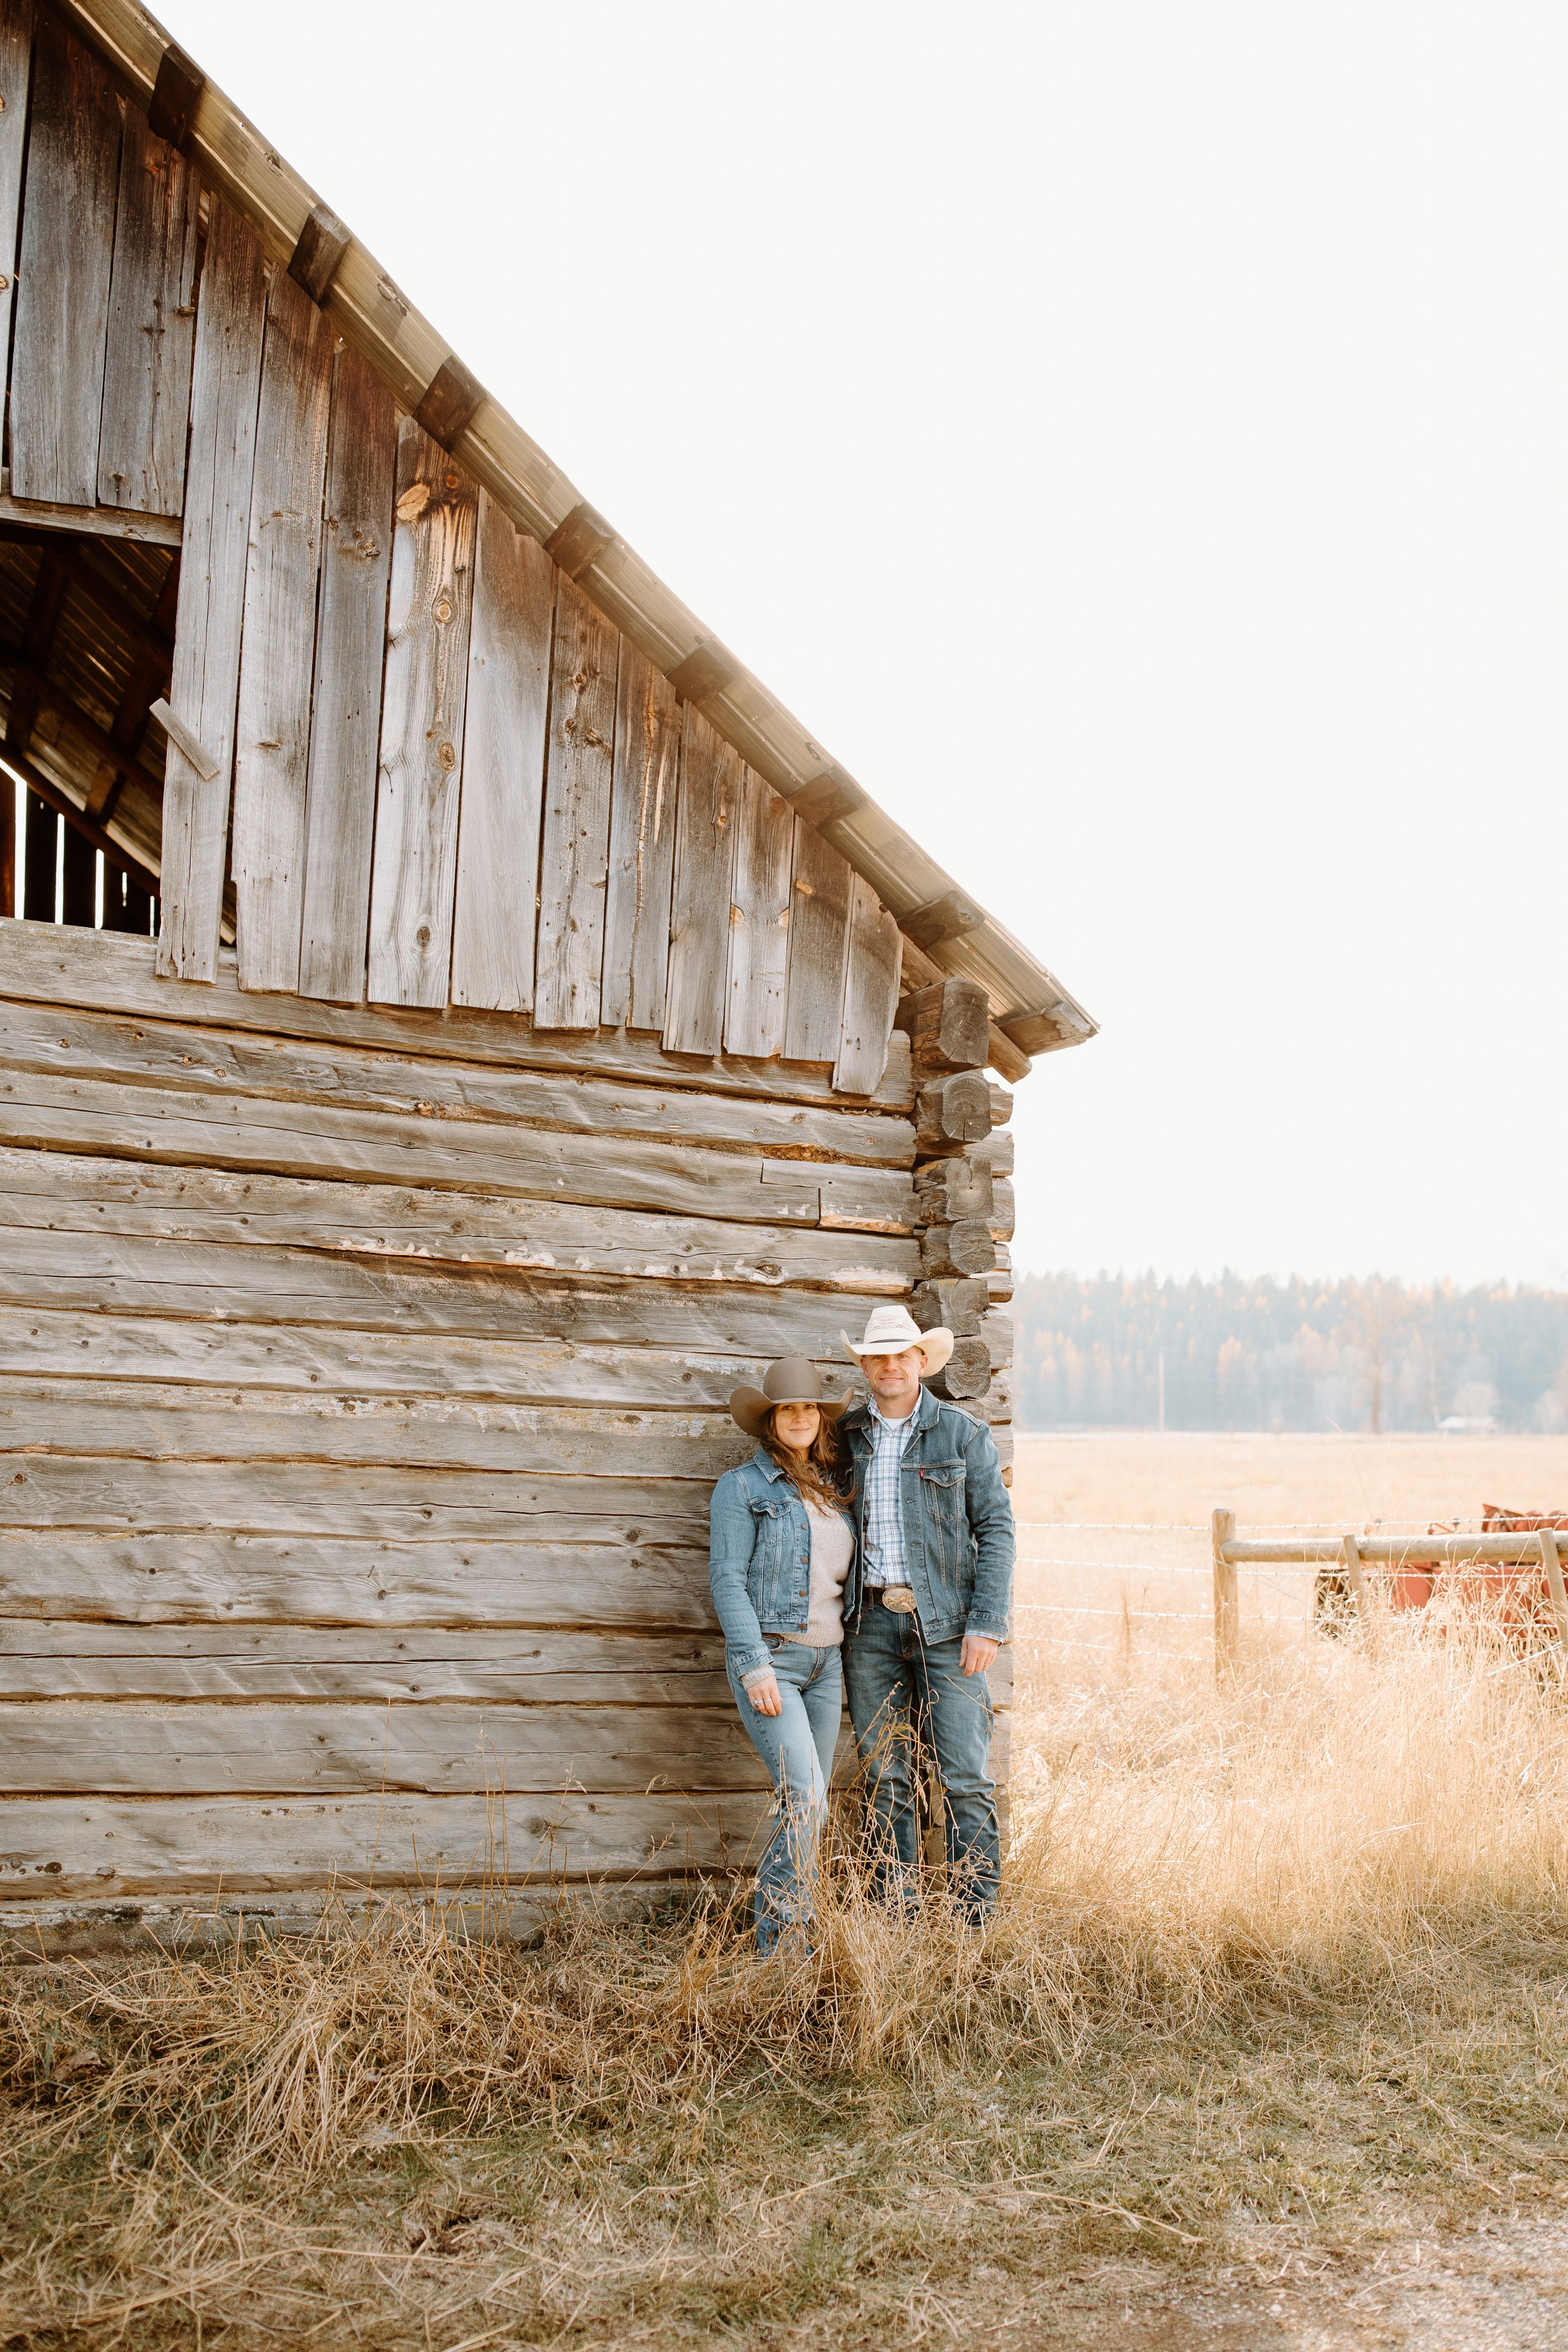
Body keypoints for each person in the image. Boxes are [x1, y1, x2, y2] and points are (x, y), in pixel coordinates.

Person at [837, 1303, 1014, 1922]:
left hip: (946, 1625)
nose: (889, 1365)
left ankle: (975, 1917)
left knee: (964, 1775)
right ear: (864, 1365)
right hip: (868, 1627)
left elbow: (995, 1527)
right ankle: (898, 1912)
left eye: (900, 1355)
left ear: (920, 1361)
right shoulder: (846, 1438)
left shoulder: (961, 1434)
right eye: (877, 1357)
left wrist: (987, 1622)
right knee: (887, 1775)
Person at [708, 1356, 857, 1954]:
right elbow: (726, 1578)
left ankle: (795, 1923)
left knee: (810, 1805)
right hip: (774, 1659)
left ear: (821, 1419)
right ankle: (781, 1944)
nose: (801, 1416)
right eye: (788, 1408)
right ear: (770, 1421)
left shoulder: (833, 1490)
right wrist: (753, 1664)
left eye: (810, 1407)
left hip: (828, 1666)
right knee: (806, 1799)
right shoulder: (741, 1488)